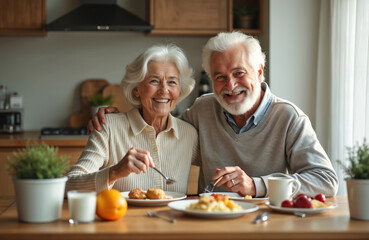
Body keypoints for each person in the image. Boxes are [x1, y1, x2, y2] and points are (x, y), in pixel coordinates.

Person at [88, 32, 338, 198]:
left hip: (264, 226)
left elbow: (326, 180)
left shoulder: (289, 117)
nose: (230, 85)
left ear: (260, 72)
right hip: (210, 222)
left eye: (239, 73)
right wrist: (114, 120)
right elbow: (158, 129)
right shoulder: (202, 111)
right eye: (220, 77)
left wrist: (256, 185)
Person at [66, 44, 199, 194]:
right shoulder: (109, 127)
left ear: (179, 90)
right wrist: (115, 172)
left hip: (173, 218)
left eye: (172, 82)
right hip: (123, 217)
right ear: (137, 89)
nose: (164, 90)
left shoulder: (189, 134)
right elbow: (69, 184)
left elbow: (218, 167)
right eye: (154, 81)